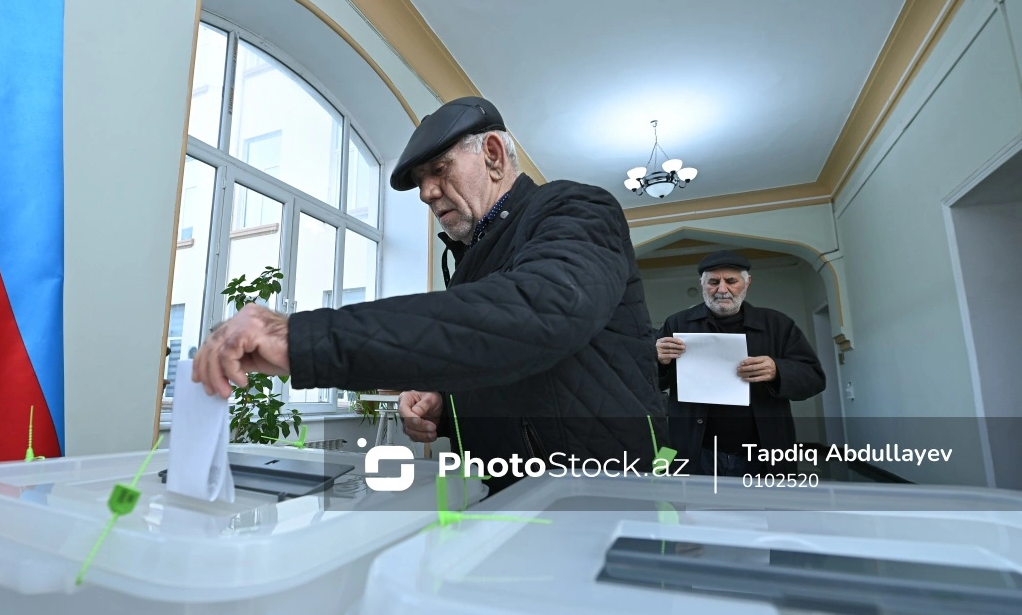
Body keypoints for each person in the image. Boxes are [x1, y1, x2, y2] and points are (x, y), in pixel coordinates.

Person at [193, 96, 669, 492]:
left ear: (494, 155)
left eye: (439, 170)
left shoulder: (575, 210)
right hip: (513, 499)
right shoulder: (471, 260)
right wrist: (447, 406)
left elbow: (538, 313)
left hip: (607, 498)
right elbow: (509, 363)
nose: (426, 193)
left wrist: (304, 339)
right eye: (421, 181)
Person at [655, 251, 825, 477]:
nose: (722, 289)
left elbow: (814, 378)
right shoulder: (676, 323)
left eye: (731, 281)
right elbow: (648, 381)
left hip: (762, 452)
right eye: (713, 282)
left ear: (747, 282)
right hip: (695, 449)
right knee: (694, 509)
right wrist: (658, 360)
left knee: (762, 510)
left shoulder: (777, 324)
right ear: (702, 284)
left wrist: (778, 370)